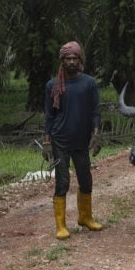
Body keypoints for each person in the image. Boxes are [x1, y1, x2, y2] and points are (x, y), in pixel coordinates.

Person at [43, 41, 104, 239]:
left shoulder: (89, 83)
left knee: (86, 180)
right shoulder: (53, 85)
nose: (71, 62)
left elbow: (95, 111)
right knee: (62, 183)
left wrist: (96, 133)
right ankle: (60, 226)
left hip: (82, 140)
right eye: (67, 58)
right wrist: (46, 142)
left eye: (74, 58)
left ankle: (85, 217)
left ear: (80, 60)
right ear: (62, 61)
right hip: (60, 139)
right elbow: (49, 115)